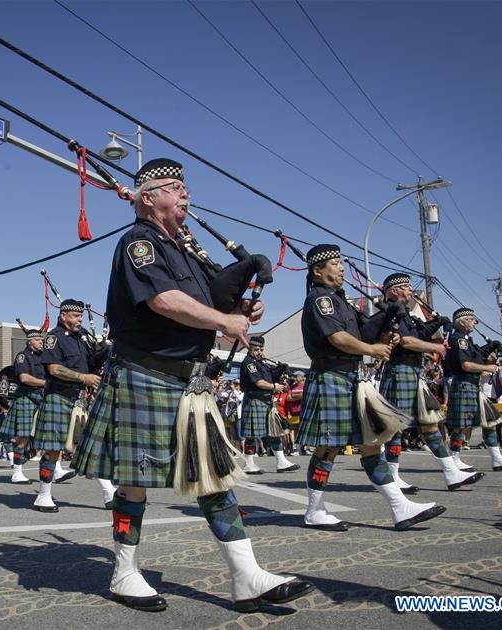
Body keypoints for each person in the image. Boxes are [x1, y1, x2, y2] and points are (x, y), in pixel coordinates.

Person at [73, 158, 312, 613]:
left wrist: (242, 299)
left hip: (190, 381)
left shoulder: (185, 247)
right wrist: (225, 319)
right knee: (133, 481)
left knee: (213, 475)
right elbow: (165, 300)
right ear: (148, 198)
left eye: (185, 187)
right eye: (174, 187)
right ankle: (125, 573)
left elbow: (213, 298)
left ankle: (247, 577)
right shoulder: (138, 243)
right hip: (145, 373)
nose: (185, 194)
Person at [296, 245, 445, 533]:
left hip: (351, 378)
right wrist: (373, 349)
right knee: (328, 448)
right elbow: (338, 338)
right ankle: (315, 510)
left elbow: (362, 330)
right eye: (336, 263)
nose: (341, 268)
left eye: (341, 263)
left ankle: (399, 507)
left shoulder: (341, 300)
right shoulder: (320, 299)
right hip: (330, 376)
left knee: (371, 443)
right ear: (318, 270)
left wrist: (389, 318)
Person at [377, 273, 483, 492]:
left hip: (412, 374)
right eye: (406, 287)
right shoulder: (388, 311)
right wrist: (436, 347)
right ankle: (393, 476)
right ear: (394, 290)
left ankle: (451, 472)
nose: (410, 291)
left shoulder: (404, 312)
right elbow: (406, 341)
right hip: (399, 372)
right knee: (395, 428)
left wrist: (435, 323)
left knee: (430, 424)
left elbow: (417, 333)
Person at [33, 299, 111, 512]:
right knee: (52, 450)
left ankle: (108, 491)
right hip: (58, 397)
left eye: (80, 317)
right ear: (64, 316)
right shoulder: (54, 338)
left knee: (91, 446)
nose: (79, 320)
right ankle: (43, 495)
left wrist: (105, 350)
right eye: (76, 316)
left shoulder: (83, 336)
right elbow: (54, 369)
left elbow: (92, 364)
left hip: (78, 400)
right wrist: (83, 378)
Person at [445, 308, 502, 471]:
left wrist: (491, 346)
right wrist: (490, 368)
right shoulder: (459, 340)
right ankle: (454, 458)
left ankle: (497, 458)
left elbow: (477, 355)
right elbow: (466, 365)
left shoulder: (467, 340)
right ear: (461, 321)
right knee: (461, 425)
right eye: (472, 319)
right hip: (464, 384)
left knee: (490, 421)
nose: (475, 322)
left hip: (473, 386)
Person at [238, 336, 298, 474]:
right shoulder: (249, 363)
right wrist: (274, 386)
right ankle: (249, 464)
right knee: (251, 435)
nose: (259, 352)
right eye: (256, 349)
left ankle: (281, 461)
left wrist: (281, 374)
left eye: (261, 349)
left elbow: (270, 376)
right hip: (255, 401)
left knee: (274, 431)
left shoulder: (262, 363)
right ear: (250, 348)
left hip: (267, 401)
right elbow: (259, 383)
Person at [0, 329, 46, 484]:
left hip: (41, 398)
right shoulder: (22, 356)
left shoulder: (44, 357)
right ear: (29, 342)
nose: (41, 342)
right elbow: (24, 378)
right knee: (23, 436)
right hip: (25, 398)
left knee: (48, 433)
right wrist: (47, 383)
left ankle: (56, 468)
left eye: (41, 340)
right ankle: (17, 472)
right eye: (38, 340)